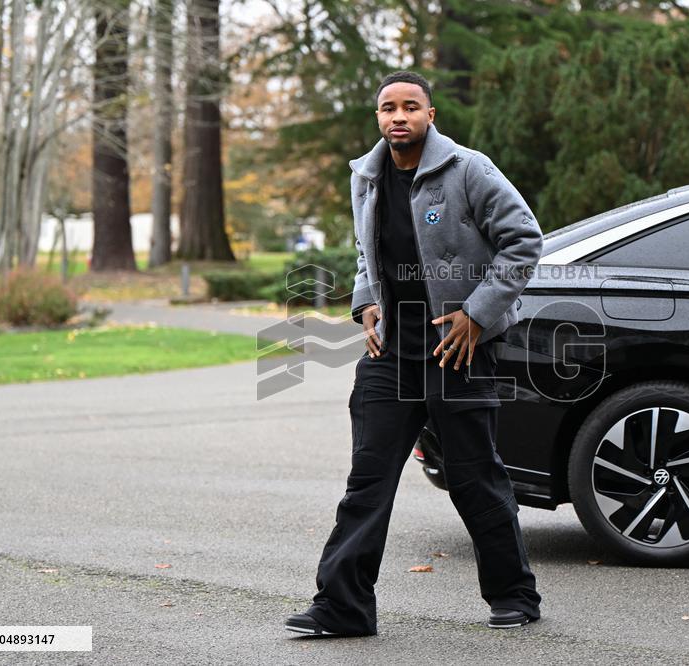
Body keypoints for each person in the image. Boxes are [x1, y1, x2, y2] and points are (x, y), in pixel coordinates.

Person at [285, 70, 543, 637]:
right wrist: (366, 303)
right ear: (378, 117)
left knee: (475, 477)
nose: (397, 117)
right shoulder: (367, 176)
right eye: (387, 108)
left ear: (430, 115)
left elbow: (524, 239)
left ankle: (514, 594)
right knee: (367, 480)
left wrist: (478, 312)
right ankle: (342, 606)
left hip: (458, 349)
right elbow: (365, 252)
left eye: (410, 107)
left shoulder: (469, 169)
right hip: (390, 354)